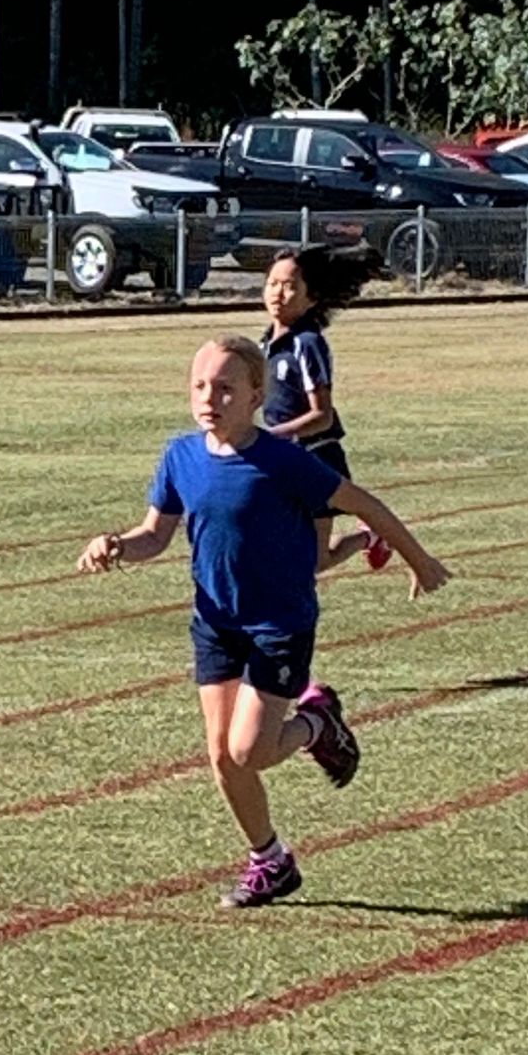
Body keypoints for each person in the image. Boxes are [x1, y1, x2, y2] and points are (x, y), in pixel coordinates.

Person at [78, 334, 450, 909]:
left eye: (226, 388)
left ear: (257, 396)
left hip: (280, 623)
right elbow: (155, 534)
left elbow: (367, 506)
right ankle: (270, 861)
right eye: (200, 386)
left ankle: (318, 724)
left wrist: (420, 561)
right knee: (222, 756)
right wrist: (116, 544)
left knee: (249, 750)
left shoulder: (284, 461)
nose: (210, 398)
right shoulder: (180, 456)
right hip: (215, 623)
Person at [258, 243, 392, 574]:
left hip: (316, 457)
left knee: (313, 561)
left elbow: (322, 416)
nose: (278, 293)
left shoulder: (308, 343)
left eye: (290, 286)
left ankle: (370, 536)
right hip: (282, 457)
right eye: (272, 283)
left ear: (312, 297)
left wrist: (275, 435)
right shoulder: (265, 343)